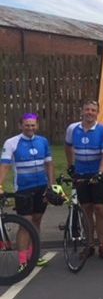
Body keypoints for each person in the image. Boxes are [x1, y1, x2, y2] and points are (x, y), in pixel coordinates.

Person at [0, 113, 55, 269]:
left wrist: (52, 185)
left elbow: (49, 165)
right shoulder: (11, 142)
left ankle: (34, 255)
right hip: (23, 189)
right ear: (20, 125)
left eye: (33, 125)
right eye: (27, 125)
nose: (30, 128)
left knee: (37, 220)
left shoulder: (43, 141)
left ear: (37, 126)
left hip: (41, 188)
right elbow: (5, 165)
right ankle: (23, 261)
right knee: (25, 224)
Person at [65, 100, 103, 258]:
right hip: (81, 173)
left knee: (99, 210)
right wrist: (71, 165)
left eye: (93, 110)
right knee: (86, 210)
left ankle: (102, 245)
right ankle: (89, 245)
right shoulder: (73, 129)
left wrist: (100, 172)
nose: (90, 112)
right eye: (87, 109)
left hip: (98, 174)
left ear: (97, 113)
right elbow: (68, 146)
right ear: (82, 111)